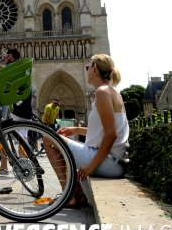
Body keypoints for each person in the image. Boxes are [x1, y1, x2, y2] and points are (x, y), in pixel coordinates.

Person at [55, 54, 129, 207]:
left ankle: (69, 195)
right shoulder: (113, 92)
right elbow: (104, 131)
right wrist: (76, 129)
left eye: (88, 67)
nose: (87, 69)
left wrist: (92, 165)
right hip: (115, 162)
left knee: (49, 138)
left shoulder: (102, 92)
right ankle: (78, 195)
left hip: (109, 162)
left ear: (94, 68)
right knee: (57, 138)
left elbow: (111, 134)